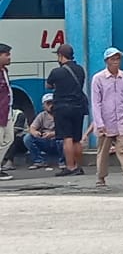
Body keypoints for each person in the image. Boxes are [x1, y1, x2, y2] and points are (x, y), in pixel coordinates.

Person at [90, 47, 123, 188]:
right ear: (107, 61)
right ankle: (101, 177)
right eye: (113, 59)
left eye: (118, 59)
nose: (116, 62)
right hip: (106, 121)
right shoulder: (98, 79)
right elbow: (96, 103)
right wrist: (99, 123)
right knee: (103, 151)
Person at [47, 43, 88, 177]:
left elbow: (48, 86)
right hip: (78, 107)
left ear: (60, 56)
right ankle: (78, 166)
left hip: (62, 108)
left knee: (67, 138)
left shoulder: (56, 72)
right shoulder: (80, 70)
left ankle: (70, 167)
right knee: (76, 138)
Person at [24, 93, 65, 170]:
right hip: (45, 141)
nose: (51, 105)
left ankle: (62, 161)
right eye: (48, 103)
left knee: (63, 140)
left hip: (57, 141)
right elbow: (32, 128)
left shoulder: (61, 114)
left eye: (53, 103)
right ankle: (39, 161)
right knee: (28, 138)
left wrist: (53, 134)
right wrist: (35, 133)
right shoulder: (42, 115)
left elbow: (66, 130)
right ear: (44, 105)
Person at [0, 43, 13, 181]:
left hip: (7, 110)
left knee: (9, 139)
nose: (9, 57)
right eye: (6, 55)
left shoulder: (5, 71)